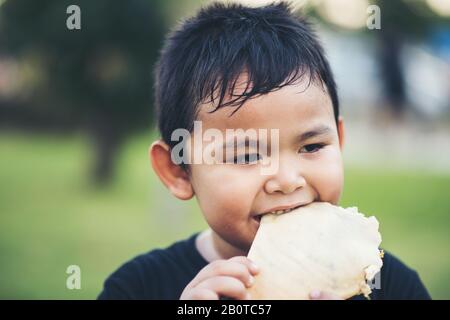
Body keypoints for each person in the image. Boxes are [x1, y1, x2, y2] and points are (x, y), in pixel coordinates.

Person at [98, 1, 430, 300]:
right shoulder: (138, 287)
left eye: (312, 146)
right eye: (246, 156)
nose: (287, 180)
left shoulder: (392, 286)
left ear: (339, 142)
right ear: (179, 171)